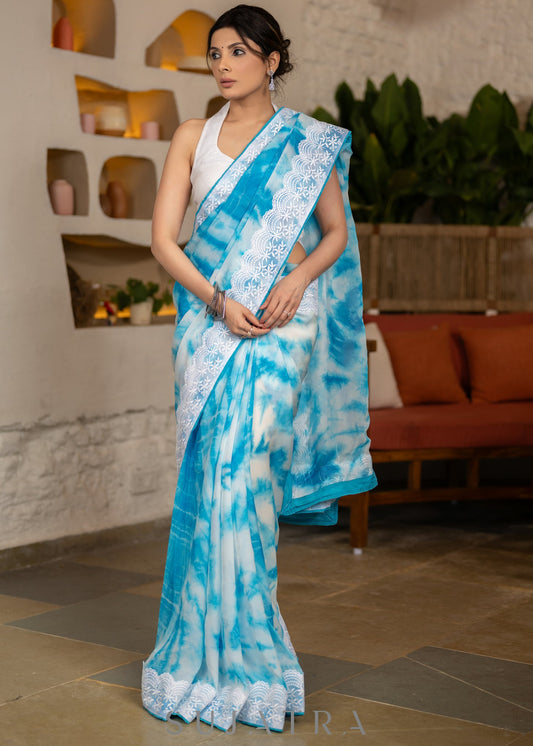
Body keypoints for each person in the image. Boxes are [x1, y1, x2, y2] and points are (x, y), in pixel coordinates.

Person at [141, 3, 376, 733]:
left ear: (271, 61)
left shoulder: (307, 142)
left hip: (280, 326)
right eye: (215, 53)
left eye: (238, 52)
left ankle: (252, 657)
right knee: (215, 480)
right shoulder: (191, 135)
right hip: (210, 326)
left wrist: (296, 279)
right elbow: (164, 241)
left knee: (249, 484)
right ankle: (198, 657)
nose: (223, 64)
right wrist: (217, 301)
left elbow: (334, 234)